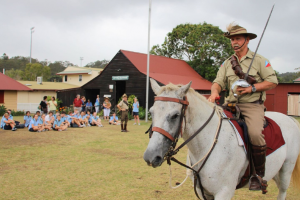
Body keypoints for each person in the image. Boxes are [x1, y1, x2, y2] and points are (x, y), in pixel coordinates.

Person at [208, 23, 278, 190]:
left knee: (254, 133)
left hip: (252, 105)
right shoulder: (227, 63)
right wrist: (213, 93)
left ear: (247, 40)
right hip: (230, 104)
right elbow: (218, 82)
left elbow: (272, 81)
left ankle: (258, 175)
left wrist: (252, 88)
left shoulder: (260, 61)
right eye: (232, 39)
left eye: (238, 38)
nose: (234, 42)